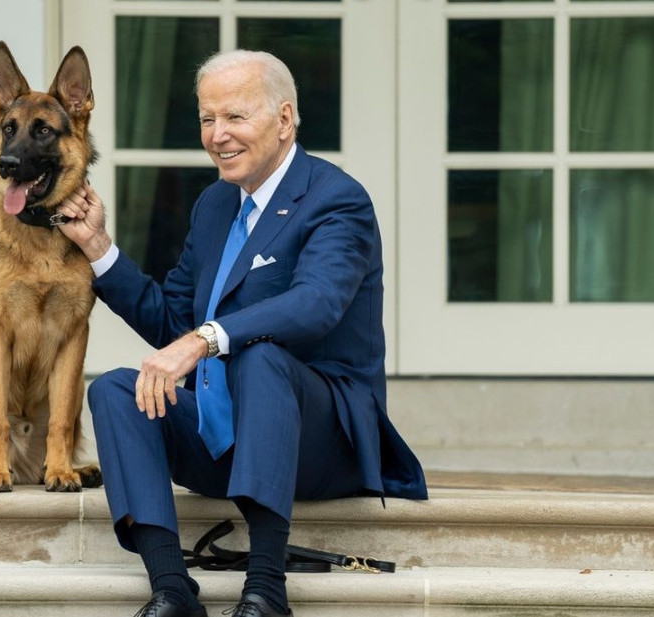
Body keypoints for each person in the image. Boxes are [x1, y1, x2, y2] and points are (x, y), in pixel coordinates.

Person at [56, 49, 427, 617]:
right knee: (114, 389)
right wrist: (98, 250)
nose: (217, 135)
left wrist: (203, 341)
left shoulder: (336, 199)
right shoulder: (213, 206)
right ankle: (172, 589)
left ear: (284, 120)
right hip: (227, 435)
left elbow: (315, 305)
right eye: (207, 119)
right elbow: (173, 322)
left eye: (235, 117)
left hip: (320, 441)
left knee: (261, 358)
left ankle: (266, 589)